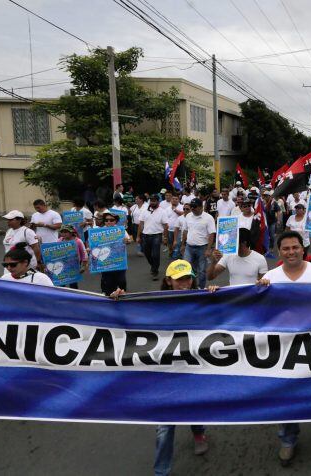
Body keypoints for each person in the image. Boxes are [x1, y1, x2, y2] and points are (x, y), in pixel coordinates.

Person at [111, 260, 210, 476]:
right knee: (164, 427)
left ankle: (199, 432)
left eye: (187, 278)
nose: (184, 283)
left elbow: (222, 315)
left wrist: (216, 294)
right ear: (168, 281)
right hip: (165, 372)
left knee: (194, 406)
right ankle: (161, 472)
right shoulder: (157, 302)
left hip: (193, 366)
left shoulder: (202, 298)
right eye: (179, 279)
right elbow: (135, 315)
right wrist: (120, 298)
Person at [256, 231, 311, 467]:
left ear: (303, 249)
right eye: (286, 248)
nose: (291, 252)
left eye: (295, 247)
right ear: (279, 252)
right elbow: (258, 314)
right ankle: (288, 439)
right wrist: (259, 292)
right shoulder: (271, 277)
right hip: (284, 349)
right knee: (287, 395)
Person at [180, 198, 216, 288]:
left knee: (202, 270)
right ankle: (190, 286)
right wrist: (183, 244)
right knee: (186, 268)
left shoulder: (208, 218)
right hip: (189, 246)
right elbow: (185, 231)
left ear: (201, 207)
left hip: (202, 248)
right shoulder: (188, 216)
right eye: (191, 206)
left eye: (195, 207)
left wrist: (208, 249)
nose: (192, 208)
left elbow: (212, 233)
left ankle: (201, 288)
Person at [96, 211, 131, 295]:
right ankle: (109, 297)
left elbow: (129, 240)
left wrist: (127, 241)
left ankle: (122, 294)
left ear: (115, 221)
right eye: (106, 220)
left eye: (111, 220)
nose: (109, 222)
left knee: (121, 280)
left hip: (119, 260)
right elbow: (94, 245)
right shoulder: (99, 231)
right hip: (106, 261)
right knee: (108, 282)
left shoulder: (120, 230)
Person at [136, 194, 169, 280]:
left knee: (155, 255)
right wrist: (138, 236)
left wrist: (165, 237)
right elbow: (141, 224)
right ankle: (153, 266)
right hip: (145, 235)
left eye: (154, 200)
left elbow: (166, 225)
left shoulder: (163, 211)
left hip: (157, 235)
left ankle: (155, 271)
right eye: (151, 200)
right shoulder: (145, 210)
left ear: (158, 201)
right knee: (147, 254)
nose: (152, 202)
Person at [57, 225, 88, 289]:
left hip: (74, 264)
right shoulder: (59, 241)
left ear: (71, 232)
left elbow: (83, 253)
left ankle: (74, 296)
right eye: (62, 232)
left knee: (73, 283)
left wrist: (84, 266)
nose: (64, 234)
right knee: (61, 283)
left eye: (66, 232)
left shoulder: (78, 241)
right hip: (62, 264)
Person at [165, 195, 184, 259]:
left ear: (178, 200)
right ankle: (172, 252)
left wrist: (175, 210)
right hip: (169, 229)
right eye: (173, 199)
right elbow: (165, 218)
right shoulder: (167, 209)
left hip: (179, 229)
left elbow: (184, 214)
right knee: (170, 243)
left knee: (177, 243)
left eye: (176, 199)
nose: (174, 200)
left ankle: (176, 256)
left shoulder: (182, 207)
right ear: (171, 200)